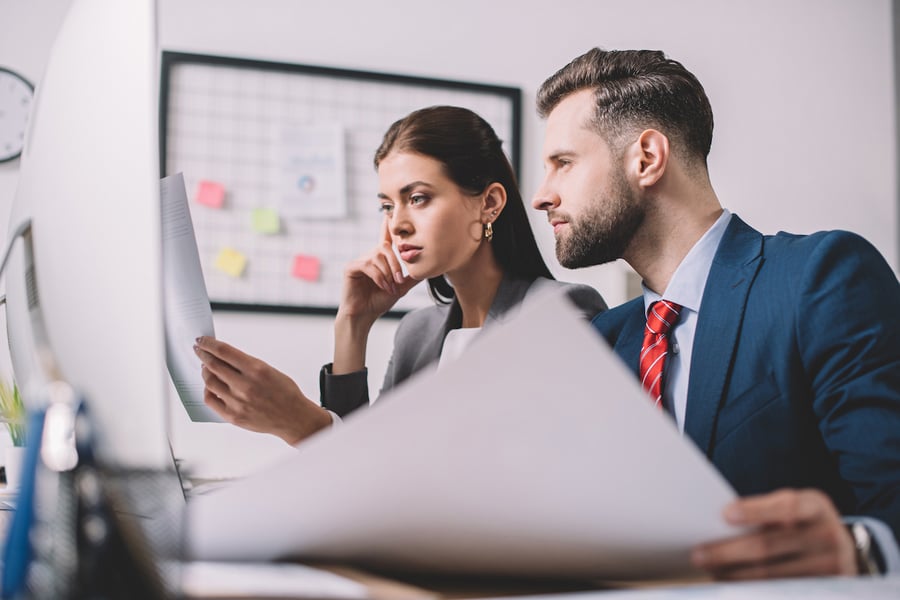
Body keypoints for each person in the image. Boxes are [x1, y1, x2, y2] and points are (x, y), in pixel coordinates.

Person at [532, 48, 900, 580]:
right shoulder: (602, 342)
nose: (542, 196)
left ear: (646, 158)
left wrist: (863, 549)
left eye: (562, 163)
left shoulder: (821, 277)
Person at [194, 105, 607, 445]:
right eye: (387, 206)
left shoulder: (558, 311)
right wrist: (352, 326)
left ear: (490, 204)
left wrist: (303, 425)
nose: (398, 225)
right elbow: (363, 474)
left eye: (418, 198)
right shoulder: (417, 332)